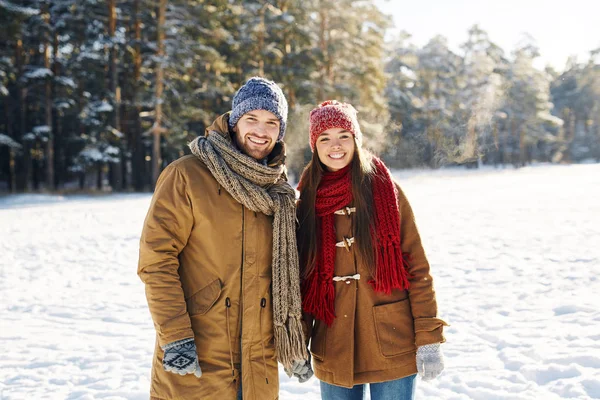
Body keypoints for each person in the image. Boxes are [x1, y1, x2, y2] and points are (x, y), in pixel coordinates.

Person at [138, 77, 309, 400]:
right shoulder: (187, 175)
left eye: (272, 122)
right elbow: (156, 260)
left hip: (259, 365)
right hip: (199, 354)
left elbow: (287, 276)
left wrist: (294, 338)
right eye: (252, 119)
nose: (261, 131)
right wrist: (175, 335)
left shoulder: (278, 191)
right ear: (234, 122)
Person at [294, 100, 448, 399]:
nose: (334, 145)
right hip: (333, 341)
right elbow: (300, 280)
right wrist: (298, 340)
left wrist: (429, 337)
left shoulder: (384, 189)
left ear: (356, 140)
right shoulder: (305, 200)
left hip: (392, 341)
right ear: (315, 145)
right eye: (324, 138)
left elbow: (416, 267)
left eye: (343, 135)